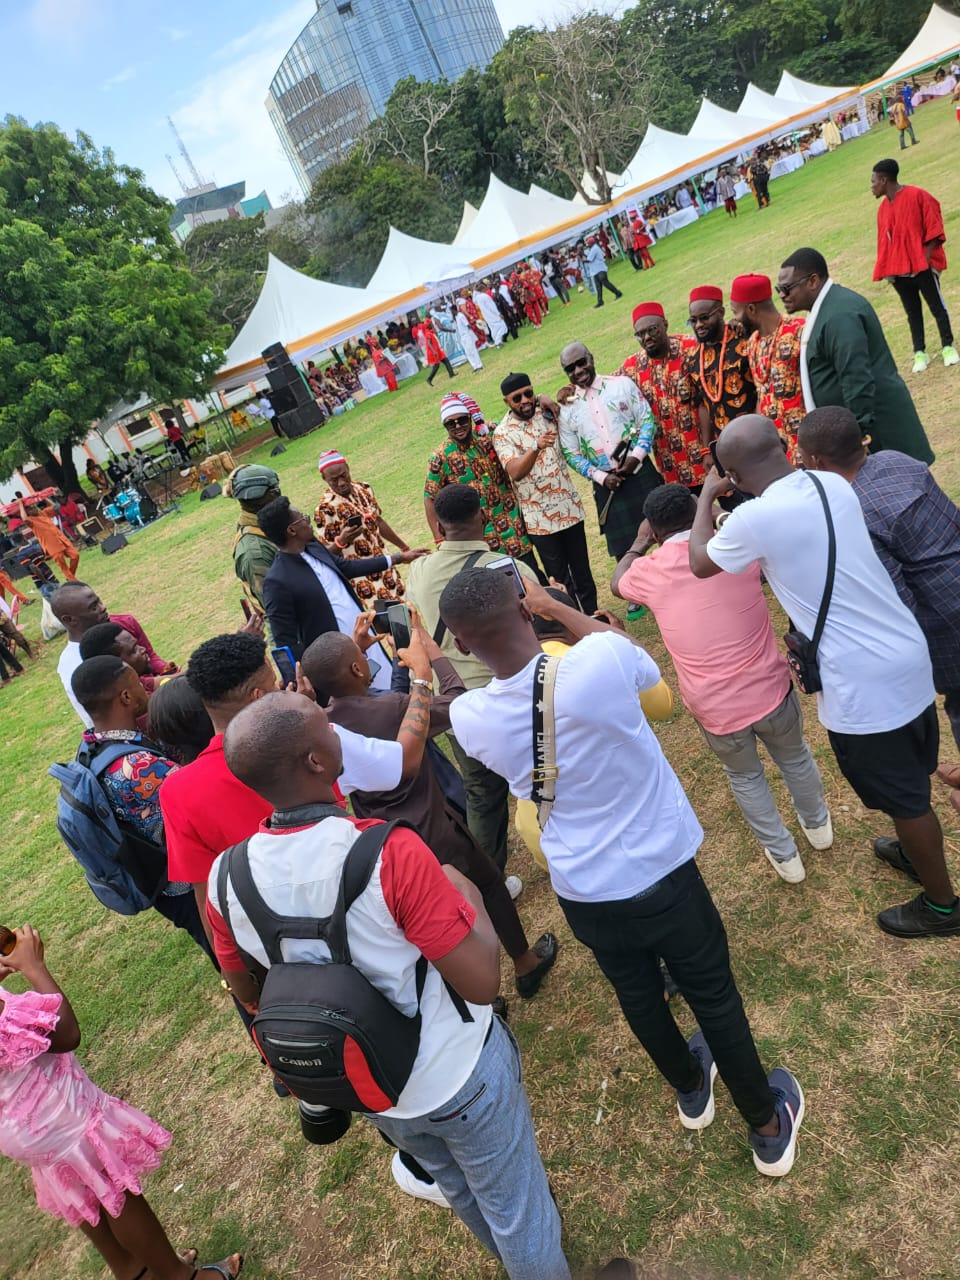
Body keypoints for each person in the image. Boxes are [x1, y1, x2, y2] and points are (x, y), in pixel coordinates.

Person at [441, 570, 805, 1177]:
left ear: (461, 644)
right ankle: (766, 1122)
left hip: (583, 890)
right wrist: (556, 604)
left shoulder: (473, 718)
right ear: (526, 613)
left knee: (636, 994)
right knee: (713, 995)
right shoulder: (602, 658)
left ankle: (692, 1089)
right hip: (663, 872)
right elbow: (640, 666)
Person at [205, 695, 570, 1279]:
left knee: (463, 1189)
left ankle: (522, 1260)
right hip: (457, 1074)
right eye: (325, 727)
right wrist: (464, 889)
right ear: (318, 762)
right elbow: (481, 982)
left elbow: (241, 983)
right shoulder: (387, 851)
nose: (334, 726)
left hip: (374, 1085)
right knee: (517, 1209)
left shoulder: (224, 875)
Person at [688, 416, 960, 939]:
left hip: (863, 681)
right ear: (785, 447)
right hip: (906, 652)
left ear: (734, 477)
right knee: (910, 772)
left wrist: (704, 498)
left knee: (908, 799)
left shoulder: (752, 521)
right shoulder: (830, 481)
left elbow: (701, 562)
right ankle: (913, 847)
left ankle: (944, 905)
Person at [301, 627, 559, 999]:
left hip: (387, 842)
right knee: (488, 885)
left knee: (432, 925)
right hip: (437, 828)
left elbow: (367, 695)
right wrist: (433, 658)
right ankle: (525, 963)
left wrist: (352, 658)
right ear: (359, 670)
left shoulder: (326, 728)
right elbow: (457, 700)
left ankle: (480, 1002)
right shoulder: (394, 709)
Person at [612, 484, 831, 883]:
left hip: (715, 708)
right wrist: (712, 513)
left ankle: (784, 855)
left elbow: (616, 583)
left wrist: (639, 542)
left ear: (655, 530)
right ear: (697, 509)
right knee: (795, 757)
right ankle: (817, 826)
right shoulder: (736, 551)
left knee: (746, 777)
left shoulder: (647, 571)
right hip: (771, 690)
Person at [0, 925, 242, 1280]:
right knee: (114, 1190)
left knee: (84, 1185)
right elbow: (66, 1034)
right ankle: (181, 1277)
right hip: (57, 1115)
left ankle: (135, 1271)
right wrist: (35, 967)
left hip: (18, 1126)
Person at [797, 406, 960, 751]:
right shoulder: (897, 460)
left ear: (817, 462)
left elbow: (896, 597)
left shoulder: (852, 510)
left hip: (947, 623)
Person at [407, 484, 539, 882]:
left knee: (482, 792)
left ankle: (489, 882)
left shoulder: (419, 571)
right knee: (546, 770)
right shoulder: (508, 568)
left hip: (457, 701)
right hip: (515, 690)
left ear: (439, 525)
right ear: (481, 515)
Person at [69, 655, 216, 960]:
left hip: (162, 884)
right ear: (125, 696)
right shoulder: (137, 767)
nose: (145, 690)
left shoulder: (92, 748)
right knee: (233, 960)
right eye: (138, 684)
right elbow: (204, 797)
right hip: (188, 890)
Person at [777, 247, 935, 463]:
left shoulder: (839, 315)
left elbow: (856, 377)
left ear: (813, 281)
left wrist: (856, 437)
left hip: (879, 437)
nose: (782, 295)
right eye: (779, 289)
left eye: (787, 288)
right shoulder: (827, 309)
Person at [258, 494, 424, 671]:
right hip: (336, 665)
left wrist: (397, 558)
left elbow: (345, 567)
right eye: (304, 519)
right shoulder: (277, 582)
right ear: (292, 531)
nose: (309, 522)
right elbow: (286, 640)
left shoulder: (313, 546)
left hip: (365, 640)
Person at [493, 372, 597, 614]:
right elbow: (515, 471)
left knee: (583, 573)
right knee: (560, 580)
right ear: (507, 402)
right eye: (517, 398)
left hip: (569, 509)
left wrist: (545, 397)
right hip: (540, 521)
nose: (525, 400)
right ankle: (572, 622)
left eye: (529, 393)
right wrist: (536, 448)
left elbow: (575, 407)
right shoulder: (502, 433)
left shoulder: (548, 413)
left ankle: (594, 616)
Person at [558, 342, 661, 560]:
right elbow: (570, 453)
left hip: (641, 473)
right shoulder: (566, 408)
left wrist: (636, 456)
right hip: (608, 487)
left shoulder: (621, 385)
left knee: (668, 534)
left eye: (581, 363)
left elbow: (647, 421)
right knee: (626, 555)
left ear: (591, 358)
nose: (577, 371)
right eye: (570, 368)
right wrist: (601, 478)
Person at [423, 396, 536, 570]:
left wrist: (540, 400)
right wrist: (439, 539)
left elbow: (517, 419)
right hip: (480, 540)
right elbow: (430, 497)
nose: (458, 426)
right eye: (451, 423)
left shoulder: (489, 436)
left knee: (531, 575)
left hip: (513, 527)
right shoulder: (440, 457)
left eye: (462, 420)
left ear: (469, 417)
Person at [870, 158, 958, 372]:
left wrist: (925, 260)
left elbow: (934, 228)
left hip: (922, 268)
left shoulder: (918, 196)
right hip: (899, 272)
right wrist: (887, 270)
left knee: (937, 307)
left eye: (873, 181)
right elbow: (884, 241)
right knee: (912, 312)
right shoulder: (882, 209)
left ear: (884, 180)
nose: (871, 186)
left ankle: (948, 346)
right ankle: (920, 352)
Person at [51, 582, 177, 727]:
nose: (103, 608)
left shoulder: (121, 625)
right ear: (69, 619)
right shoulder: (77, 666)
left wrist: (171, 676)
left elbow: (151, 659)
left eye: (99, 601)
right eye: (93, 607)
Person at [313, 451, 415, 605]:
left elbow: (378, 521)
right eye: (333, 480)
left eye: (343, 475)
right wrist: (342, 540)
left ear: (348, 468)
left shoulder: (364, 488)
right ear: (324, 479)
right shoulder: (325, 509)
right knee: (383, 623)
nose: (341, 483)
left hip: (386, 566)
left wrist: (404, 547)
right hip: (362, 579)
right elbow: (326, 555)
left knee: (407, 612)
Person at [621, 303, 703, 488]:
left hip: (705, 453)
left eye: (652, 330)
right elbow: (603, 386)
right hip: (671, 463)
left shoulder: (692, 348)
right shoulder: (632, 366)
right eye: (640, 334)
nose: (646, 337)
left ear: (665, 325)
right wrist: (570, 389)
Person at [729, 274, 805, 461]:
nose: (734, 319)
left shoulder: (799, 332)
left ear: (752, 309)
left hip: (807, 444)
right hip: (777, 451)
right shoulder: (753, 342)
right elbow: (762, 394)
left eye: (735, 312)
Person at [683, 287, 757, 445]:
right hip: (726, 446)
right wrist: (706, 448)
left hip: (756, 434)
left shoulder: (743, 339)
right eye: (693, 320)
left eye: (704, 318)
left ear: (721, 312)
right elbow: (702, 405)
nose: (698, 325)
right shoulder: (692, 358)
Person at [223, 464, 280, 612]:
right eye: (275, 490)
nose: (280, 494)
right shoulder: (255, 553)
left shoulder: (268, 523)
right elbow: (276, 608)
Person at [18, 498, 79, 581]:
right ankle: (73, 580)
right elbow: (24, 519)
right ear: (27, 512)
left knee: (75, 555)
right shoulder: (31, 521)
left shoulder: (43, 513)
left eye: (34, 507)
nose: (34, 508)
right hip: (52, 546)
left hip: (62, 540)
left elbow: (54, 506)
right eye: (31, 509)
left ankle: (70, 577)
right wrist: (20, 504)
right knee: (62, 565)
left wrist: (43, 497)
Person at [414, 317, 456, 384]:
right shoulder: (428, 333)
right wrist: (434, 352)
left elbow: (435, 332)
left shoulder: (430, 331)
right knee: (436, 366)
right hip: (434, 351)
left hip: (437, 350)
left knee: (446, 360)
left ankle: (451, 374)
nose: (432, 325)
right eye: (431, 324)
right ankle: (429, 379)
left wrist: (432, 325)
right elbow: (428, 343)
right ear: (428, 325)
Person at [584, 236, 622, 308]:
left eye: (588, 244)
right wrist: (582, 255)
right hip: (596, 271)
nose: (587, 245)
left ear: (591, 243)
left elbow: (589, 259)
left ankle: (618, 293)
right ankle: (600, 301)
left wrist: (582, 258)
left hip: (600, 269)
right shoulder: (593, 248)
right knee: (598, 287)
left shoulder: (594, 248)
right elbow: (589, 257)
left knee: (606, 284)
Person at [455, 302, 484, 372]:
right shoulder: (456, 317)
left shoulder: (461, 316)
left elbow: (467, 325)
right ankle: (474, 366)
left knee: (473, 350)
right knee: (468, 352)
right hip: (462, 337)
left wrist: (471, 334)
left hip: (467, 335)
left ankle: (479, 365)